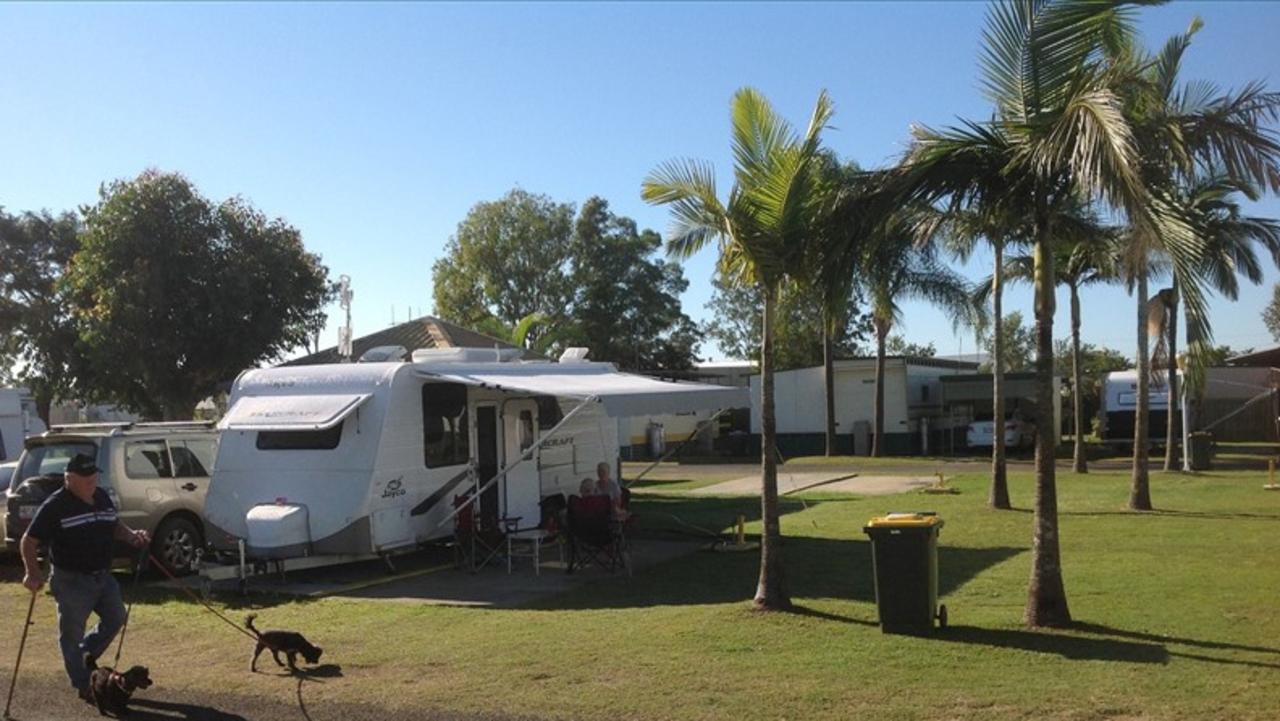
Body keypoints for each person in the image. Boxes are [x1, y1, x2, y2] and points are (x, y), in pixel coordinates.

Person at [20, 452, 150, 703]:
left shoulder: (100, 496)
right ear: (69, 478)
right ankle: (84, 684)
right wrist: (32, 573)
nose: (92, 480)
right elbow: (29, 540)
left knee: (116, 617)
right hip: (71, 580)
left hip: (102, 575)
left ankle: (85, 659)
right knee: (71, 633)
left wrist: (133, 536)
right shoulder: (55, 505)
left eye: (94, 475)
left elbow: (113, 525)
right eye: (85, 477)